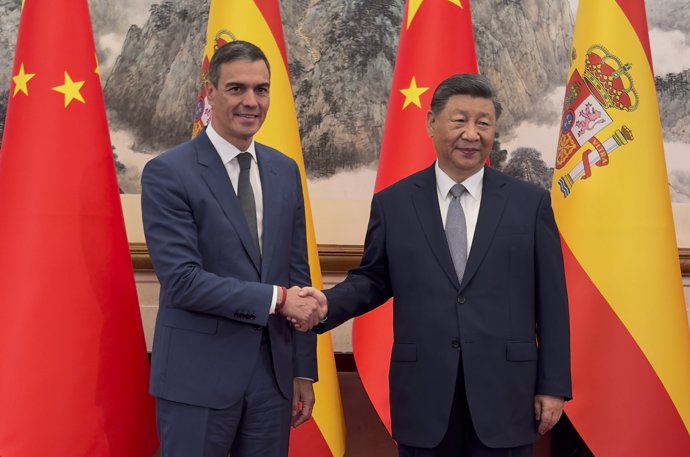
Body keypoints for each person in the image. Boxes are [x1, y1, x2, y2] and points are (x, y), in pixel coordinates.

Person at [302, 74, 571, 457]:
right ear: (431, 123)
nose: (472, 134)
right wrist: (326, 304)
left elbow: (553, 302)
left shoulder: (530, 205)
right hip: (425, 393)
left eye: (484, 122)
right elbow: (374, 279)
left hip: (506, 394)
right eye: (460, 120)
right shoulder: (394, 204)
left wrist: (553, 384)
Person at [141, 40, 326, 457]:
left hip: (272, 380)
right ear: (210, 92)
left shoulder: (283, 170)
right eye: (236, 88)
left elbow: (298, 272)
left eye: (261, 89)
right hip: (197, 377)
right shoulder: (168, 173)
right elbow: (183, 282)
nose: (251, 101)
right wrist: (278, 300)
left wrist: (302, 370)